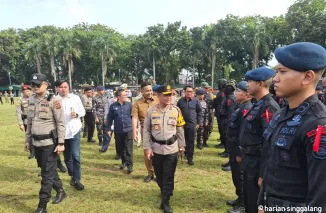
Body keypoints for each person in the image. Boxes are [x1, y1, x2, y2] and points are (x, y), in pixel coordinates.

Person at [258, 42, 326, 213]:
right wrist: (261, 204)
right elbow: (272, 165)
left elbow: (321, 194)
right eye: (276, 72)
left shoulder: (318, 123)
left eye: (282, 72)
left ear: (307, 77)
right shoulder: (282, 114)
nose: (275, 79)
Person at [238, 67, 280, 213]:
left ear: (260, 84)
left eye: (250, 81)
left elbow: (270, 143)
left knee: (255, 202)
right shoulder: (258, 104)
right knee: (249, 200)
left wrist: (263, 174)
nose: (247, 84)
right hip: (249, 160)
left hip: (257, 163)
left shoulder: (268, 107)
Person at [25, 73, 66, 213]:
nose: (34, 87)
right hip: (36, 144)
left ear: (46, 85)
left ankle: (42, 206)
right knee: (46, 171)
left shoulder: (54, 100)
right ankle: (60, 190)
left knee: (46, 176)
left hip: (50, 144)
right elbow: (29, 123)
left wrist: (61, 143)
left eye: (38, 84)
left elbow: (61, 123)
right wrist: (27, 140)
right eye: (33, 84)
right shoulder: (31, 99)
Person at [143, 85, 186, 213]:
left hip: (171, 149)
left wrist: (182, 145)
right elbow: (146, 130)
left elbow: (179, 129)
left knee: (168, 175)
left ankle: (165, 201)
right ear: (158, 96)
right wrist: (147, 147)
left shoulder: (176, 110)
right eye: (166, 95)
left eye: (171, 95)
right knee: (160, 175)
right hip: (156, 149)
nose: (169, 97)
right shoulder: (151, 111)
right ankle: (165, 191)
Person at [226, 81, 252, 213]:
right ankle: (239, 197)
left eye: (239, 91)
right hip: (233, 148)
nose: (236, 93)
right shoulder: (241, 106)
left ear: (247, 94)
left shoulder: (246, 109)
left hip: (238, 150)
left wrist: (239, 153)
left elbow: (243, 134)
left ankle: (243, 202)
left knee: (240, 176)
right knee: (236, 175)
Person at [56, 80, 86, 190]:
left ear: (68, 88)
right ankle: (72, 175)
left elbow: (83, 112)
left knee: (76, 156)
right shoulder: (54, 100)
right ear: (57, 89)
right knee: (67, 157)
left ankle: (77, 179)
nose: (63, 89)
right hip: (62, 133)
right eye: (61, 87)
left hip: (74, 130)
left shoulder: (75, 98)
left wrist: (77, 114)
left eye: (65, 87)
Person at [132, 82, 158, 182]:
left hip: (158, 129)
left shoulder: (158, 100)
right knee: (147, 152)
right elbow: (134, 119)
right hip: (145, 130)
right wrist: (134, 133)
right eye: (147, 90)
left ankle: (158, 173)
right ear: (141, 91)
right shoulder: (137, 103)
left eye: (151, 90)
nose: (150, 92)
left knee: (158, 151)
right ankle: (150, 173)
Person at [107, 89, 133, 173]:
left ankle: (129, 165)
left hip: (128, 129)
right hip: (118, 130)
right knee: (120, 148)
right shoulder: (113, 106)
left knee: (128, 148)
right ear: (118, 97)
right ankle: (124, 162)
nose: (126, 97)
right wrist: (108, 129)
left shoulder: (129, 105)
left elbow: (133, 117)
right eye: (124, 95)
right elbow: (110, 118)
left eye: (126, 95)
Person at [177, 85, 202, 165]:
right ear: (184, 92)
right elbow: (177, 112)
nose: (189, 93)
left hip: (192, 125)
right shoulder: (180, 101)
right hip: (181, 125)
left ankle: (190, 158)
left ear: (193, 92)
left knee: (191, 142)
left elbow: (199, 112)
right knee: (182, 141)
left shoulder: (196, 101)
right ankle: (182, 155)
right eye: (187, 91)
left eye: (191, 91)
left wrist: (198, 123)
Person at [219, 81, 237, 164]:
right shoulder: (227, 97)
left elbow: (230, 112)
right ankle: (227, 152)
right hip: (224, 120)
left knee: (228, 138)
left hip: (227, 121)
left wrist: (228, 124)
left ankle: (228, 153)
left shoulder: (230, 99)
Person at [16, 85, 34, 159]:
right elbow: (18, 112)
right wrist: (21, 124)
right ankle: (32, 152)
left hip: (35, 120)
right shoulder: (20, 100)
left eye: (29, 91)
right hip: (26, 121)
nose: (28, 92)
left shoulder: (34, 98)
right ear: (22, 92)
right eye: (27, 91)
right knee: (29, 136)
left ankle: (37, 150)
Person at [214, 79, 227, 147]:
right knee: (220, 129)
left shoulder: (223, 93)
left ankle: (223, 143)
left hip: (221, 114)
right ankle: (222, 142)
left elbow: (221, 104)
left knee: (222, 129)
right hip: (218, 113)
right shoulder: (221, 92)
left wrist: (219, 113)